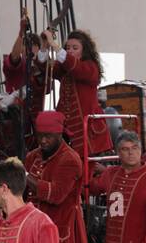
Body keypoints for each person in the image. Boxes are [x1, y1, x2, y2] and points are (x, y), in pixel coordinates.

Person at [22, 110, 89, 243]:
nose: (43, 141)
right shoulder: (32, 156)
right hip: (31, 226)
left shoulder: (70, 159)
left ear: (59, 135)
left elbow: (56, 195)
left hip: (55, 228)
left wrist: (24, 175)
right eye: (39, 136)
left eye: (48, 136)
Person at [42, 28, 112, 161]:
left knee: (86, 168)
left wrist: (54, 45)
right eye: (68, 47)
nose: (70, 50)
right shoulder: (65, 68)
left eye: (75, 48)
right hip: (69, 130)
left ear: (84, 51)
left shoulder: (91, 67)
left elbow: (75, 67)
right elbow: (46, 68)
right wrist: (45, 47)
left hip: (88, 132)